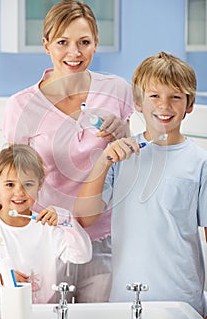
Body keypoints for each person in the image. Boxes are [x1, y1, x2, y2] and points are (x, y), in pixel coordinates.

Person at [0, 0, 134, 302]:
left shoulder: (116, 90)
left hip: (103, 239)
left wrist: (122, 131)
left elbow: (128, 159)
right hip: (46, 240)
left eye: (84, 42)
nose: (74, 53)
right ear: (46, 44)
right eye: (63, 42)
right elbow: (16, 170)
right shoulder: (21, 106)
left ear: (96, 44)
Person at [74, 51, 207, 317]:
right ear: (137, 102)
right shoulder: (120, 156)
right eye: (154, 96)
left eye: (175, 97)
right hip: (125, 300)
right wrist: (104, 161)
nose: (164, 105)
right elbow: (85, 218)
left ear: (189, 105)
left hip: (181, 300)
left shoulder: (200, 162)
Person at [0, 144, 92, 319]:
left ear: (40, 184)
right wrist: (1, 275)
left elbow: (82, 255)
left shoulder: (48, 228)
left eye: (28, 184)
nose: (19, 192)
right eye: (10, 184)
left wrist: (66, 220)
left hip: (40, 314)